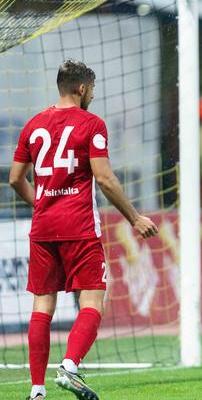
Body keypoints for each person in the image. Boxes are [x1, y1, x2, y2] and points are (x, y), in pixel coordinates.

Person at [9, 60, 159, 400]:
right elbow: (104, 178)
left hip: (43, 227)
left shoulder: (33, 126)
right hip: (79, 226)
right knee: (93, 300)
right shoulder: (92, 124)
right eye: (92, 89)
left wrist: (41, 205)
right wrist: (134, 217)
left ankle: (36, 390)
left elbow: (15, 179)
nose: (92, 94)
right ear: (82, 89)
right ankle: (70, 366)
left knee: (41, 307)